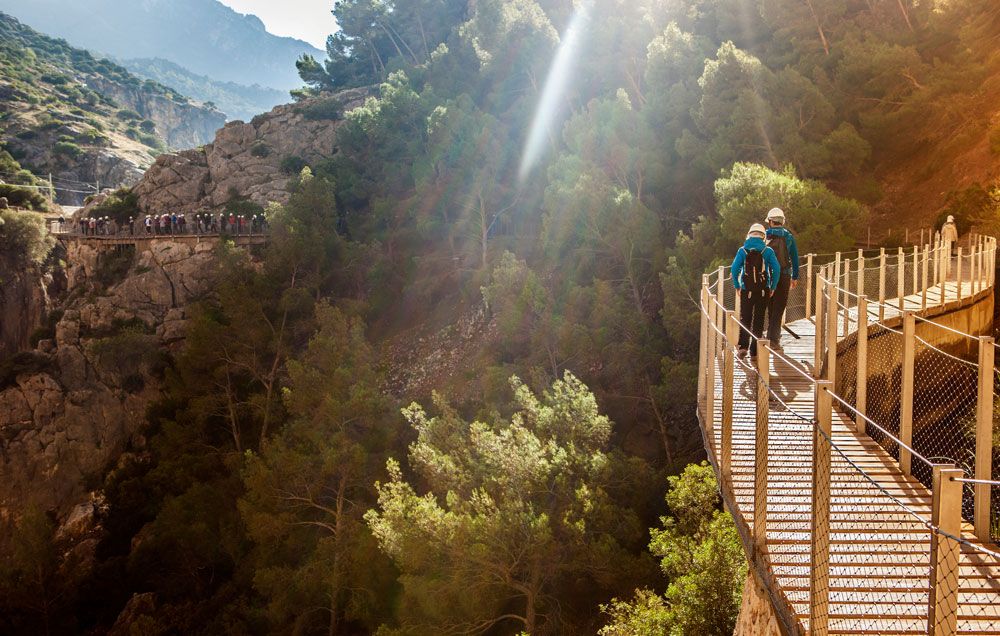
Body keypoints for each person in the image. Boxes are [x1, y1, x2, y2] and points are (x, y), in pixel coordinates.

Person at [732, 223, 780, 360]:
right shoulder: (768, 250)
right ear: (763, 236)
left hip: (747, 290)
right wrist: (773, 286)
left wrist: (737, 285)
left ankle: (742, 347)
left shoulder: (742, 250)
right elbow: (776, 269)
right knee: (759, 320)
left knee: (745, 318)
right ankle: (754, 352)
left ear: (749, 234)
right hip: (763, 290)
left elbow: (734, 269)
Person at [764, 207, 799, 348]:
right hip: (784, 276)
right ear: (782, 221)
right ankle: (774, 339)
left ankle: (771, 336)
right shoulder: (788, 237)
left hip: (767, 276)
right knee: (779, 307)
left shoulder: (765, 236)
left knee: (771, 306)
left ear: (771, 221)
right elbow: (795, 259)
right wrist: (794, 277)